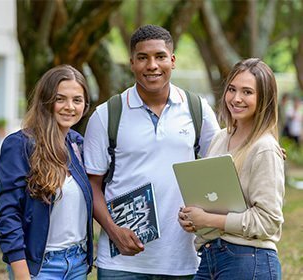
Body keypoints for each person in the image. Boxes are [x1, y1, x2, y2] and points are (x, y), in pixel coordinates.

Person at [84, 24, 220, 279]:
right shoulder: (107, 115)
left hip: (183, 259)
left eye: (159, 56)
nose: (152, 65)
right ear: (132, 63)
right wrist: (114, 232)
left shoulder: (197, 109)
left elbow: (221, 166)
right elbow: (92, 185)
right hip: (121, 263)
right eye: (143, 58)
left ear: (173, 60)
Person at [178, 58, 284, 279]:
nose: (236, 99)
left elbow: (269, 221)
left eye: (247, 92)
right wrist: (192, 216)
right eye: (232, 90)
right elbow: (214, 199)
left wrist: (207, 219)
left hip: (248, 259)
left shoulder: (264, 148)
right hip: (210, 257)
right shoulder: (220, 138)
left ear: (264, 99)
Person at [0, 64, 94, 279]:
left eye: (77, 100)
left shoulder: (78, 144)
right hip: (40, 267)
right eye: (60, 99)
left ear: (85, 105)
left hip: (77, 263)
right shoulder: (20, 145)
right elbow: (8, 213)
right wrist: (21, 272)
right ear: (46, 101)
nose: (69, 106)